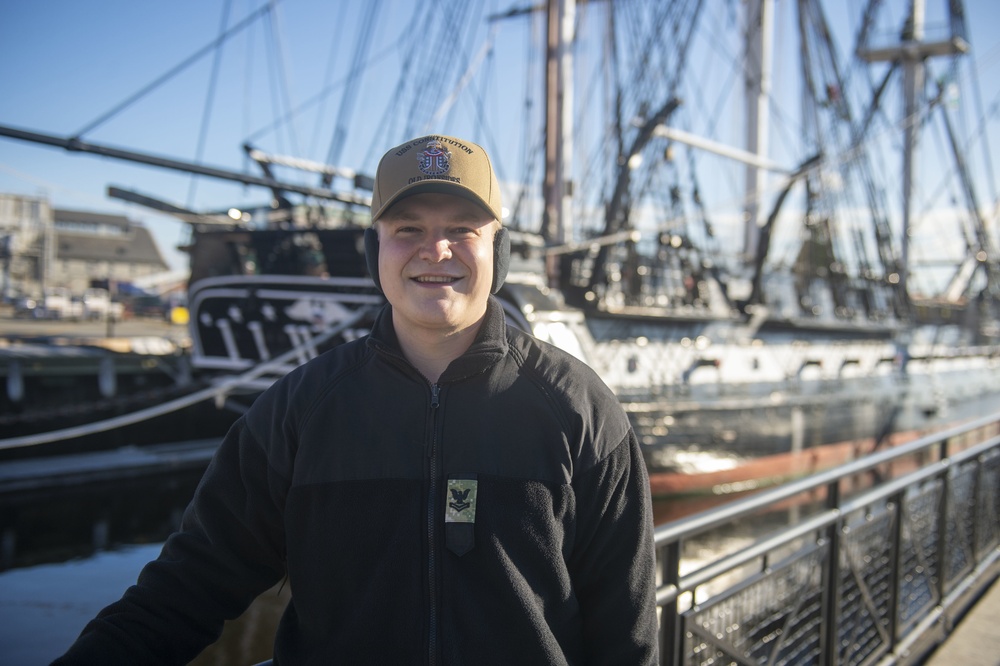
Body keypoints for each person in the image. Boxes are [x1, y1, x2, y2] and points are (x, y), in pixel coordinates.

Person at [53, 134, 659, 665]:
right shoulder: (299, 411)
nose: (436, 250)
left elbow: (625, 632)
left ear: (497, 252)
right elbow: (186, 589)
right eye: (408, 230)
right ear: (376, 253)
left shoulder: (578, 410)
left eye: (461, 231)